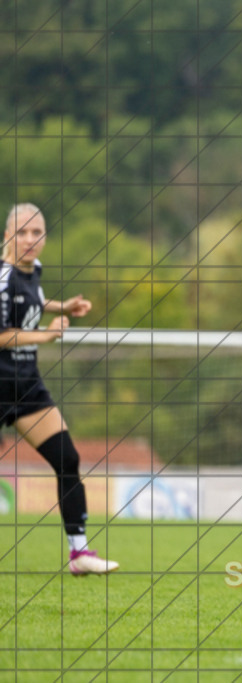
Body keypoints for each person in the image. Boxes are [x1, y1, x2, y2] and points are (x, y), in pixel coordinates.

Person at [1, 203, 119, 575]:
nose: (30, 240)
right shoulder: (2, 277)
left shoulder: (33, 271)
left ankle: (80, 554)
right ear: (7, 235)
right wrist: (47, 333)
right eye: (22, 232)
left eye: (37, 233)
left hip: (26, 388)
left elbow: (30, 302)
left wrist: (62, 305)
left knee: (67, 459)